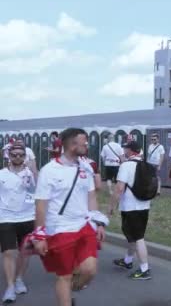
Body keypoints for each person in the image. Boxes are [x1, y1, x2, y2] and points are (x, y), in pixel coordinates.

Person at [30, 128, 108, 306]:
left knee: (90, 270)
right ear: (72, 145)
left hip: (83, 226)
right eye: (84, 142)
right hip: (59, 230)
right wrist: (39, 235)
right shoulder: (49, 170)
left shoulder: (86, 167)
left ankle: (69, 289)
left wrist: (98, 223)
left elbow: (91, 197)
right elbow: (41, 206)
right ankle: (65, 295)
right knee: (63, 276)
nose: (87, 145)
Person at [109, 141, 152, 280]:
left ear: (130, 151)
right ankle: (128, 260)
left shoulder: (126, 166)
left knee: (138, 238)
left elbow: (119, 188)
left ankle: (144, 269)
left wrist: (111, 206)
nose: (123, 150)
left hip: (130, 207)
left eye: (125, 148)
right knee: (133, 236)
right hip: (144, 205)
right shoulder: (148, 165)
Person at [0, 145, 36, 303]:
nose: (18, 158)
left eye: (21, 155)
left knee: (25, 251)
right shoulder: (1, 174)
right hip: (6, 217)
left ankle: (19, 278)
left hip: (27, 217)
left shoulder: (30, 174)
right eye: (14, 155)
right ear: (8, 156)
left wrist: (32, 172)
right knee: (8, 252)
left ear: (25, 157)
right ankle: (9, 286)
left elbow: (37, 191)